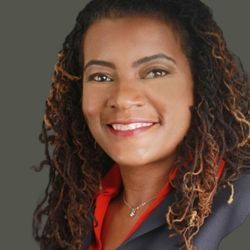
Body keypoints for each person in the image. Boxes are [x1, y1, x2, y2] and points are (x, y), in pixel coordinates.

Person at [32, 0, 250, 249]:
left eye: (155, 72)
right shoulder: (75, 212)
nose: (123, 98)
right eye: (101, 77)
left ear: (199, 85)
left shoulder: (240, 206)